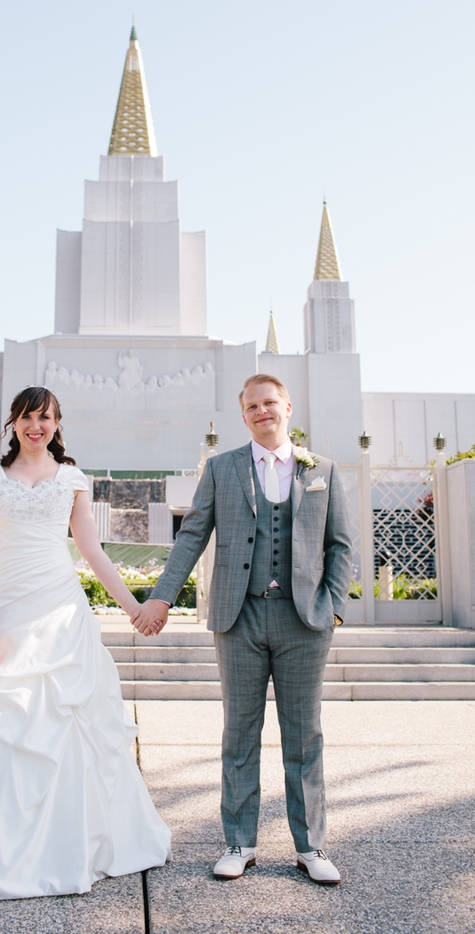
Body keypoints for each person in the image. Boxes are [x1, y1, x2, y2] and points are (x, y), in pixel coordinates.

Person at [0, 386, 170, 899]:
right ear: (13, 423)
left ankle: (71, 844)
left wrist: (133, 607)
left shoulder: (71, 477)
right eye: (26, 417)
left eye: (44, 417)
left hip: (60, 606)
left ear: (57, 422)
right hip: (7, 606)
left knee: (65, 714)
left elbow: (91, 548)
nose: (35, 426)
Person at [134, 374, 351, 885]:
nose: (261, 411)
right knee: (239, 734)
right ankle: (239, 842)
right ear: (244, 413)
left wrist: (333, 610)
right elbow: (192, 535)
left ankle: (312, 847)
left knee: (304, 737)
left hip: (304, 621)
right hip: (239, 617)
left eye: (269, 402)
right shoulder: (222, 468)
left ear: (288, 406)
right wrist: (162, 596)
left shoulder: (322, 470)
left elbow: (340, 545)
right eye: (252, 405)